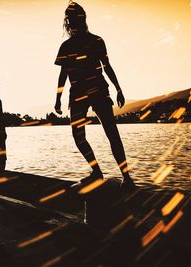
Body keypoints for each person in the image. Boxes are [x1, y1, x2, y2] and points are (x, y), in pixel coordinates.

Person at [54, 2, 135, 188]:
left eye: (75, 18)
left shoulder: (94, 41)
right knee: (83, 134)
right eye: (71, 19)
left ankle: (125, 176)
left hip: (94, 91)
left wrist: (119, 88)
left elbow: (106, 66)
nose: (73, 22)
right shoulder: (69, 46)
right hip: (84, 93)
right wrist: (58, 98)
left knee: (109, 132)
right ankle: (102, 173)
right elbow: (63, 74)